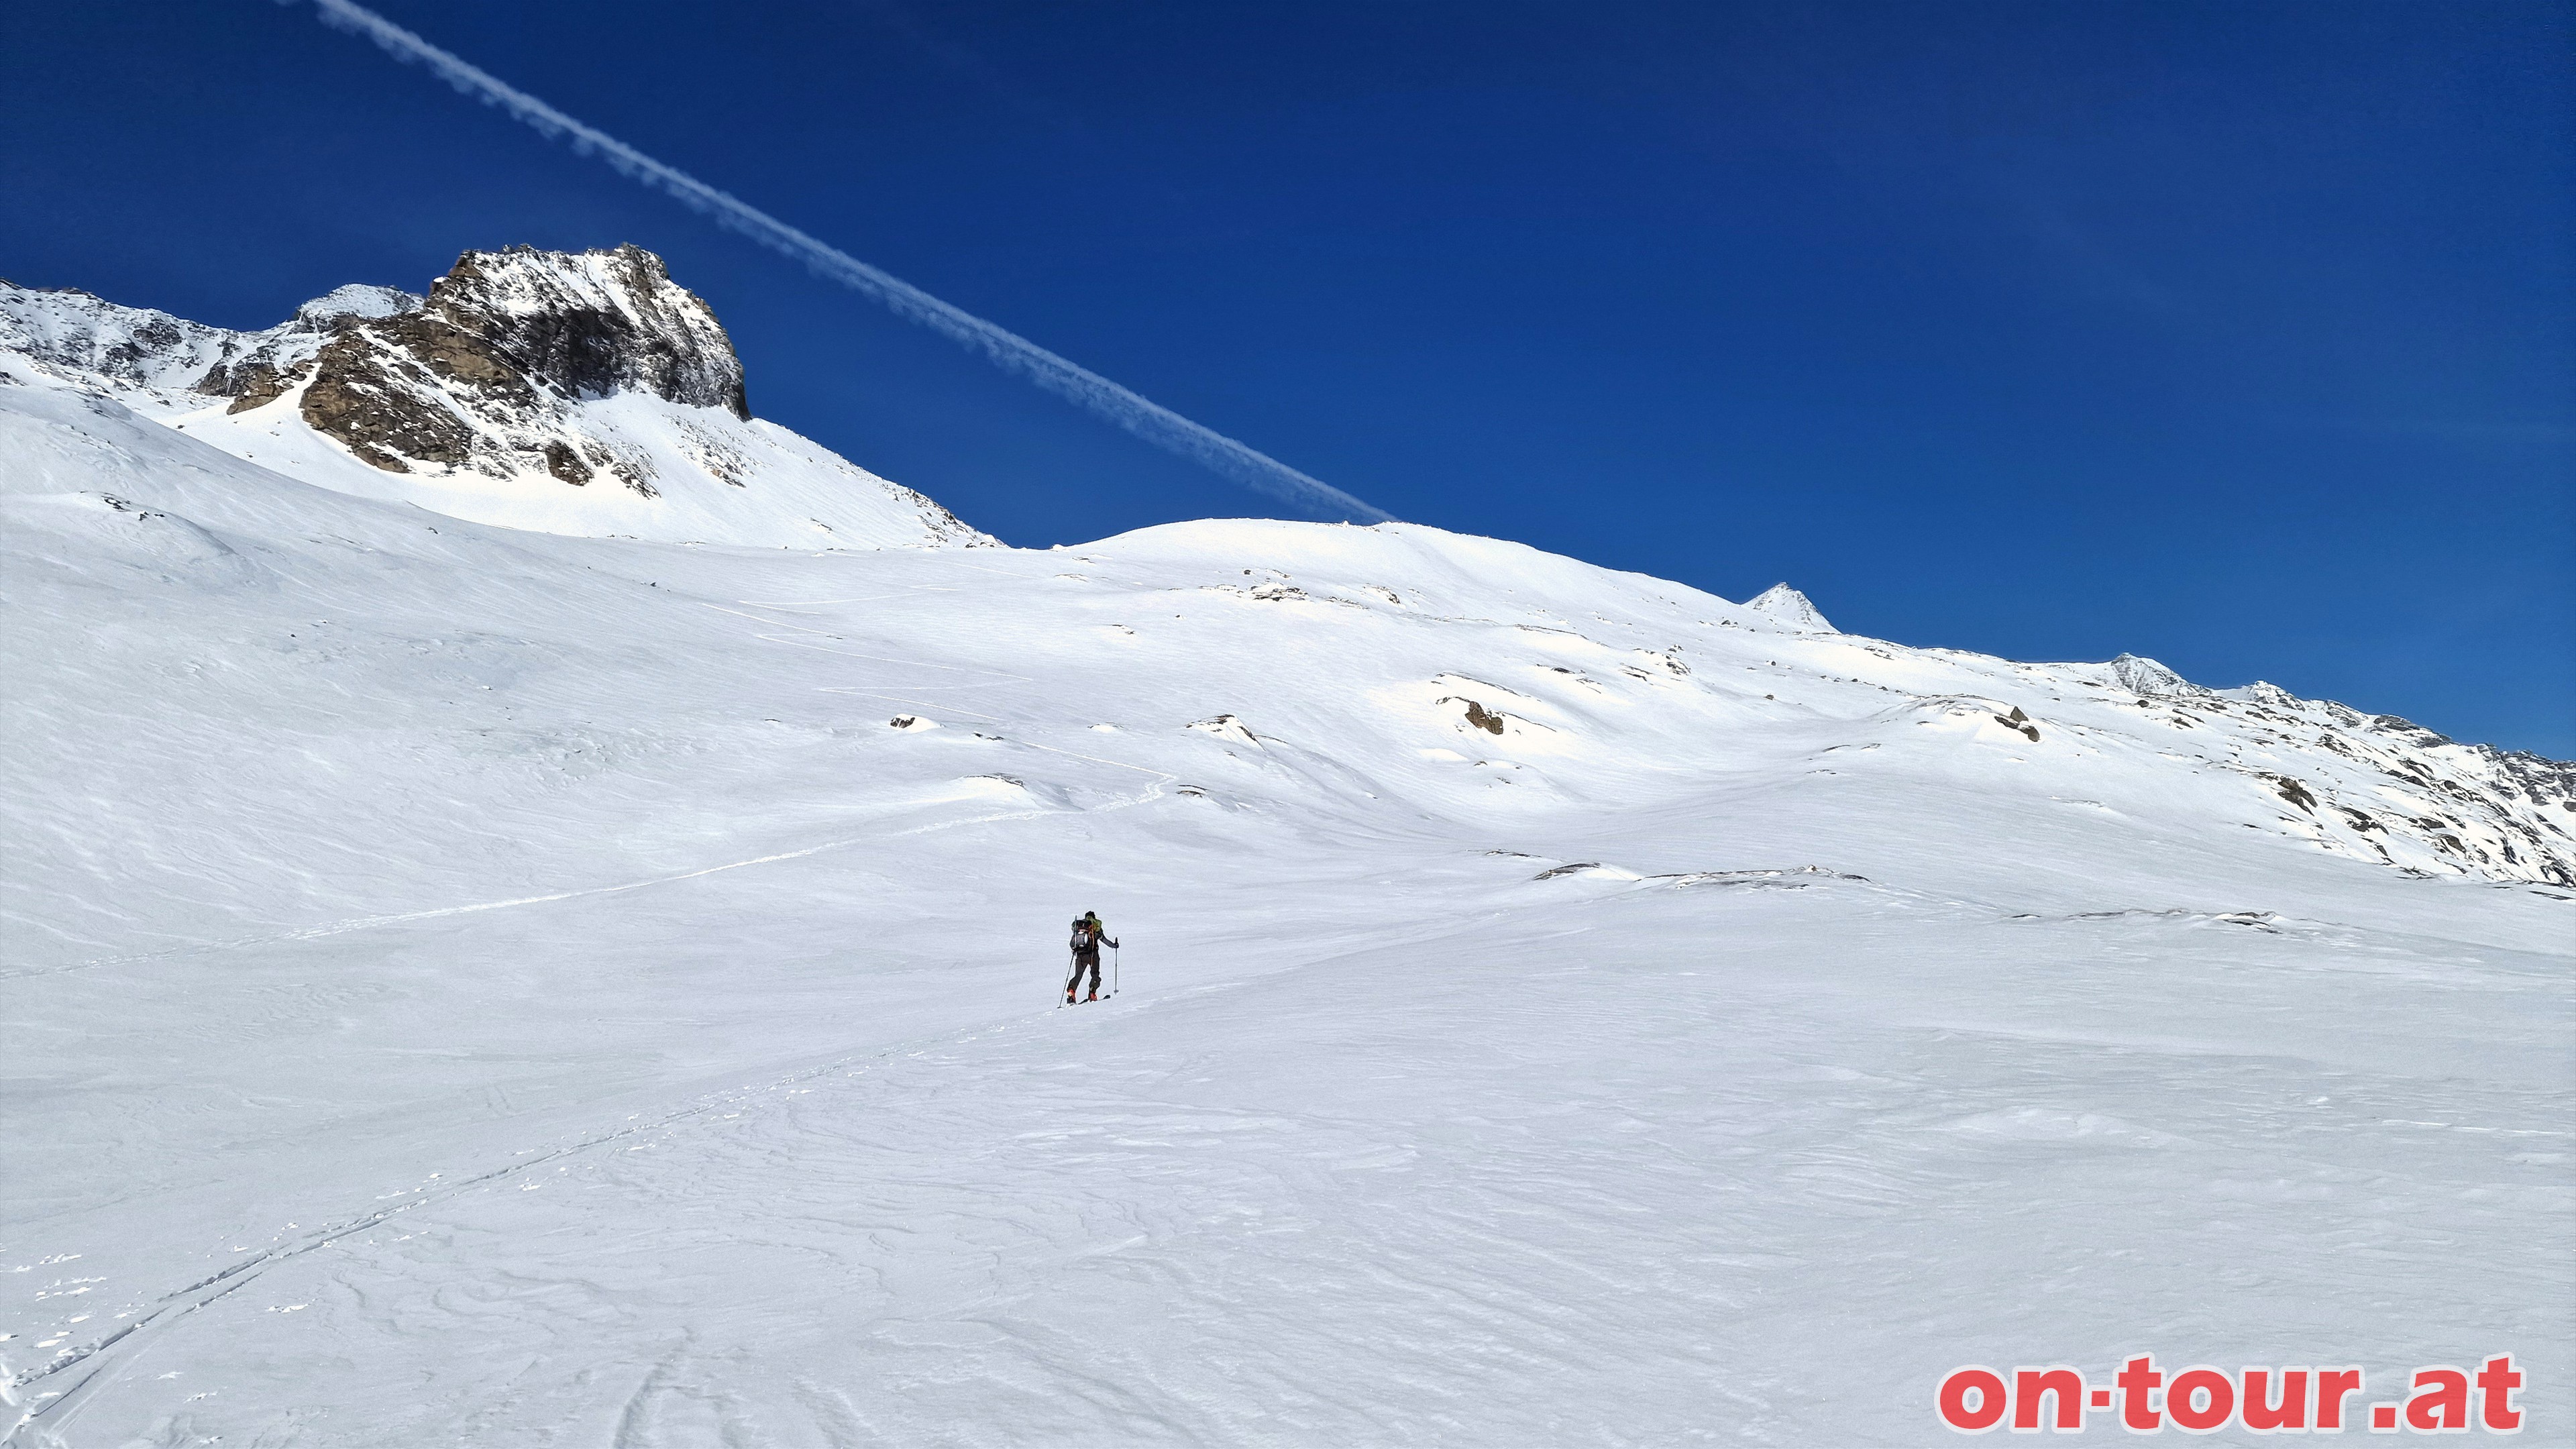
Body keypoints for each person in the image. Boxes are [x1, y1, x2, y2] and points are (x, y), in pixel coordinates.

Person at [1065, 911, 1118, 1004]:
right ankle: (1092, 994)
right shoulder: (1094, 926)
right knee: (1095, 974)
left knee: (1078, 975)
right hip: (1093, 955)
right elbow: (1104, 940)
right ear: (1093, 917)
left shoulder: (1079, 927)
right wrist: (1115, 946)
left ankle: (1071, 993)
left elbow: (1072, 942)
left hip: (1080, 955)